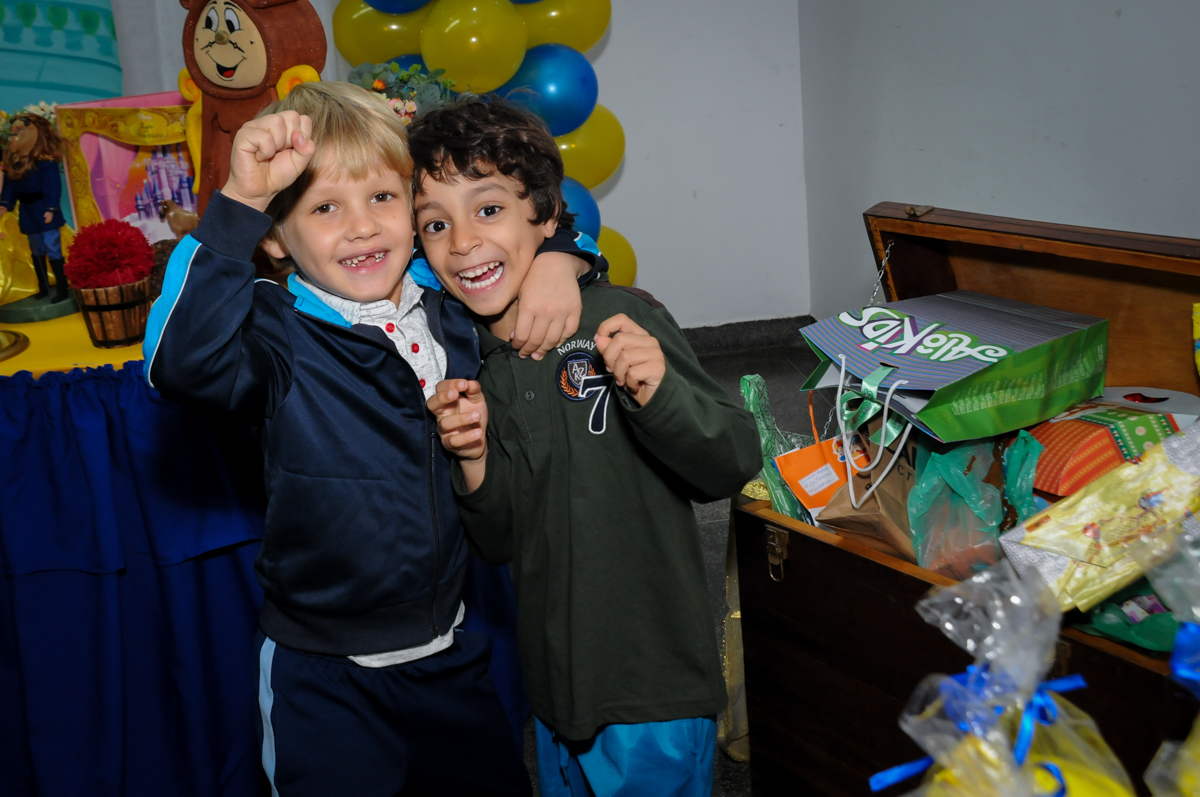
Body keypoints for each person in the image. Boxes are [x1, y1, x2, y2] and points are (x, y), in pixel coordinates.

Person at [143, 81, 603, 796]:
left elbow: (527, 229)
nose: (361, 227)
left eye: (383, 199)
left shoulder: (449, 310)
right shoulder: (273, 331)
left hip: (448, 652)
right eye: (325, 208)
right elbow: (179, 362)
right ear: (275, 235)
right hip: (322, 675)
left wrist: (561, 259)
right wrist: (237, 201)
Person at [413, 98, 762, 797]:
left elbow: (732, 458)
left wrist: (660, 389)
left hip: (652, 685)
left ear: (544, 217)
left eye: (488, 210)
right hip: (553, 691)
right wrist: (474, 456)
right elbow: (499, 539)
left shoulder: (620, 316)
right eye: (435, 224)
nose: (461, 243)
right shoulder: (469, 358)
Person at [0, 113, 68, 302]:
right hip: (28, 213)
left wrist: (51, 209)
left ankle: (62, 288)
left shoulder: (46, 163)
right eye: (13, 132)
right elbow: (10, 187)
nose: (14, 136)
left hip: (44, 211)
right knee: (36, 250)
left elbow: (53, 187)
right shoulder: (16, 164)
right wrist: (5, 205)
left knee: (53, 249)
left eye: (19, 131)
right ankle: (43, 288)